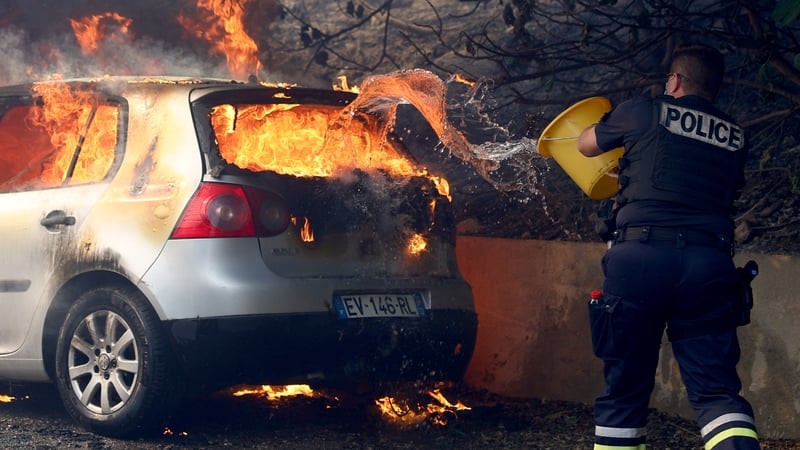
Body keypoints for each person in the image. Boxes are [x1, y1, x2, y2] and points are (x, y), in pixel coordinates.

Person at [576, 45, 760, 449]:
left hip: (639, 260)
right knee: (716, 392)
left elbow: (585, 145)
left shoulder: (644, 109)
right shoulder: (734, 135)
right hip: (708, 265)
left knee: (624, 387)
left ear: (674, 80)